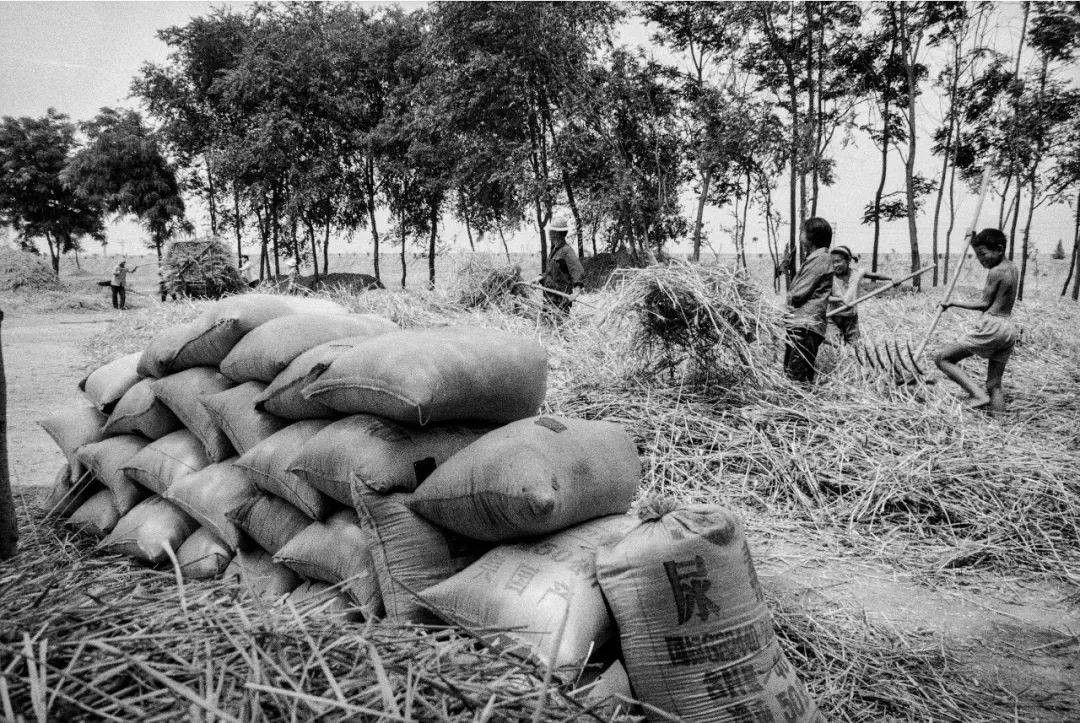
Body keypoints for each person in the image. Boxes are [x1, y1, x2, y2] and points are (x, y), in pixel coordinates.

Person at [934, 228, 1018, 415]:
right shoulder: (1012, 267)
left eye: (983, 254)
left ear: (999, 249)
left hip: (993, 326)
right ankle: (1001, 429)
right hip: (1009, 329)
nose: (981, 260)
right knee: (994, 384)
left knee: (942, 358)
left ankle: (977, 395)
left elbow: (984, 304)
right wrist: (973, 239)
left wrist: (953, 303)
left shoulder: (996, 271)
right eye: (977, 255)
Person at [783, 217, 834, 384]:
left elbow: (797, 293)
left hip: (805, 327)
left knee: (795, 381)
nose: (800, 236)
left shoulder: (820, 259)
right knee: (798, 378)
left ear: (810, 236)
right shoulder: (816, 258)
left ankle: (794, 408)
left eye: (802, 232)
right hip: (801, 326)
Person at [827, 245, 892, 344]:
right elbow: (826, 297)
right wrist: (840, 300)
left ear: (848, 260)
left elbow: (876, 275)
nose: (835, 265)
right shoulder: (829, 277)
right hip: (833, 317)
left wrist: (891, 278)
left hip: (851, 317)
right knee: (836, 343)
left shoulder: (857, 273)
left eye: (838, 261)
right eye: (833, 262)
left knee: (855, 344)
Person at [537, 213, 584, 319]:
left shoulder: (567, 251)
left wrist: (576, 291)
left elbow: (578, 270)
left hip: (560, 299)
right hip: (549, 297)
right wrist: (539, 277)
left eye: (551, 231)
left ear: (556, 234)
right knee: (547, 326)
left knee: (559, 327)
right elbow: (551, 272)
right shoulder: (554, 250)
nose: (549, 233)